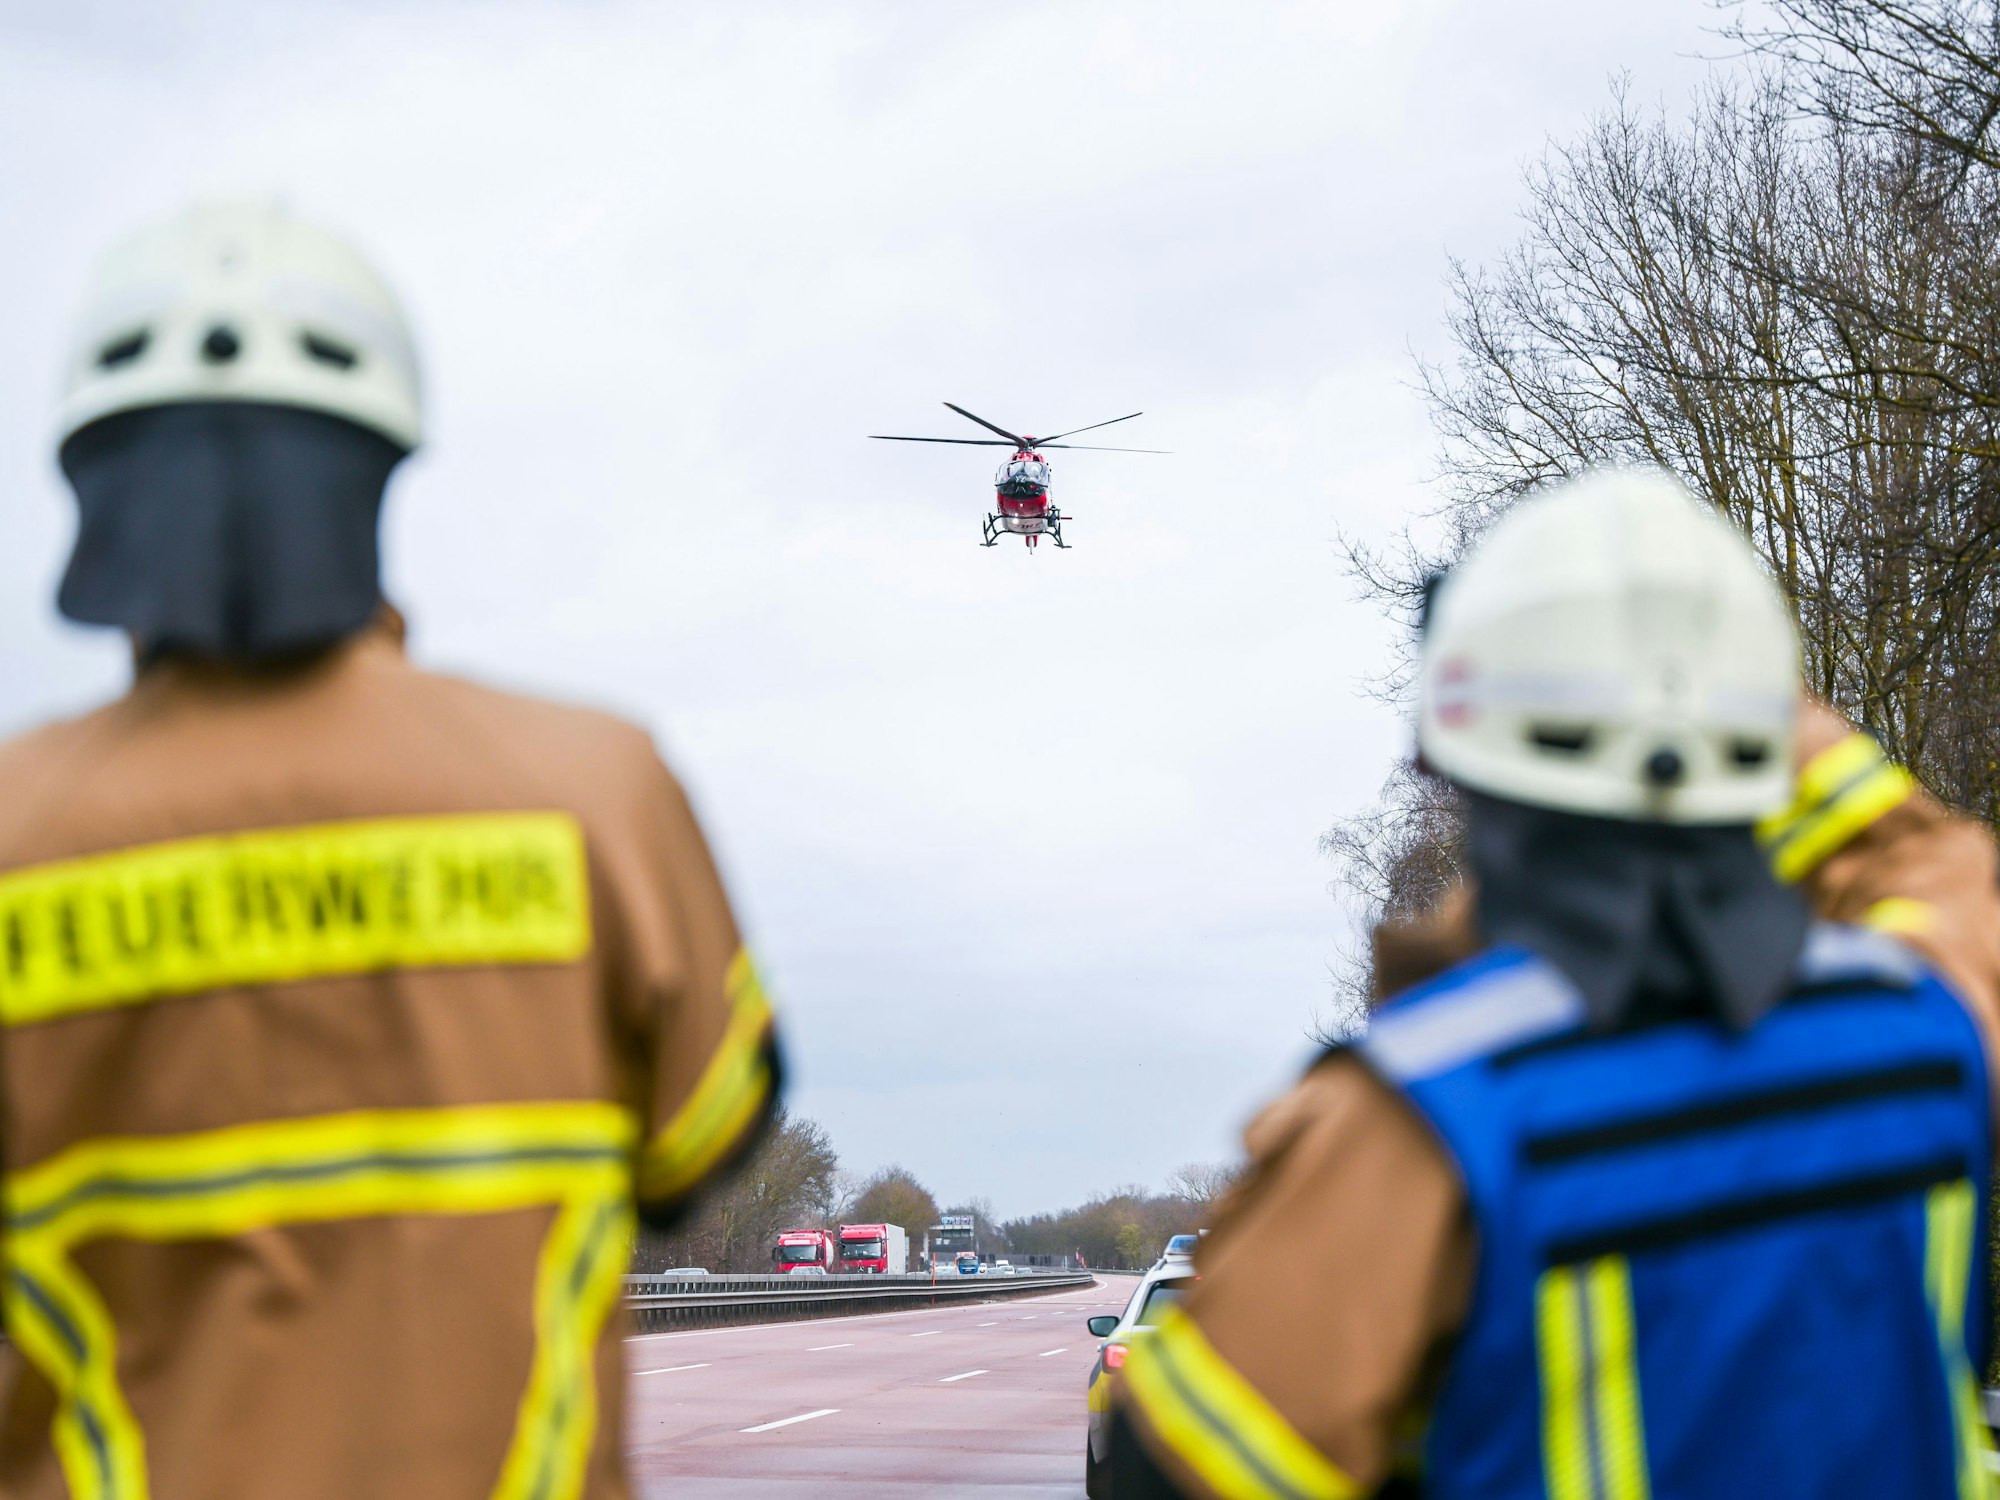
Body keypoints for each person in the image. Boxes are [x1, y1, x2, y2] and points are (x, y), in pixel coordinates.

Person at [0, 200, 782, 1499]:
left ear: (94, 476)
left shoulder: (21, 832)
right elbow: (703, 1145)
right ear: (377, 463)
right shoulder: (594, 790)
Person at [1106, 468, 2000, 1498]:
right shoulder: (1932, 1028)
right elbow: (1926, 858)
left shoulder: (1417, 1115)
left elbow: (1170, 1471)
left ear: (1459, 748)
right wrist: (1697, 682)